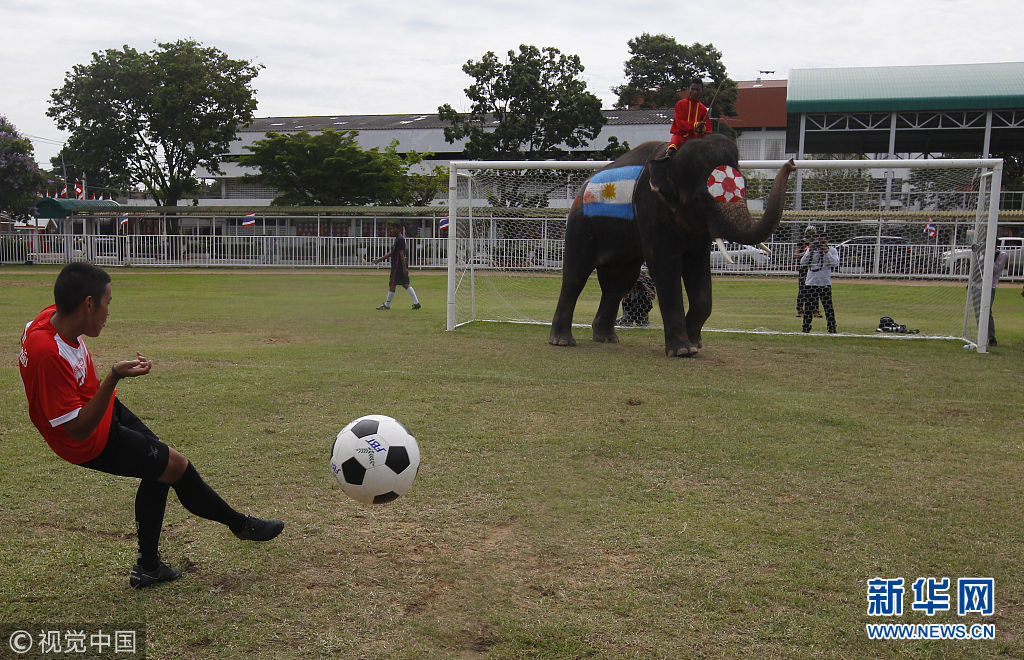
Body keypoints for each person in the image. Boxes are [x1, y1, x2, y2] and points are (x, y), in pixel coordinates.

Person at [19, 263, 284, 589]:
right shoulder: (47, 351)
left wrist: (107, 387)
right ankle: (240, 525)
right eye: (107, 302)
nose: (108, 312)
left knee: (160, 466)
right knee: (175, 466)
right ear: (88, 304)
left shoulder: (48, 319)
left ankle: (148, 567)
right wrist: (114, 375)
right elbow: (75, 428)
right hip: (89, 439)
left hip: (102, 409)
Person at [373, 224, 421, 310]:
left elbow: (401, 255)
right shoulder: (398, 239)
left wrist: (404, 268)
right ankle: (416, 303)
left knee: (392, 284)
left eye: (393, 228)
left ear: (399, 229)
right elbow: (392, 253)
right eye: (391, 228)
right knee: (405, 284)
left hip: (397, 266)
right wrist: (379, 259)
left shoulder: (400, 239)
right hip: (399, 265)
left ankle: (387, 305)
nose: (392, 230)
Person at [799, 232, 839, 333]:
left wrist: (826, 252)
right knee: (808, 307)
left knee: (828, 307)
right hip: (811, 283)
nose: (820, 243)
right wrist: (810, 250)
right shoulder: (811, 250)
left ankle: (832, 328)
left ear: (827, 241)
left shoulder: (832, 250)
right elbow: (803, 262)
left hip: (824, 283)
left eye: (823, 241)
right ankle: (806, 327)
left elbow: (835, 263)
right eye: (819, 241)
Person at [664, 79, 713, 157]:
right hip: (680, 137)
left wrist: (702, 130)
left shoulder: (703, 109)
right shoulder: (680, 104)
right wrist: (695, 125)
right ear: (689, 90)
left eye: (697, 89)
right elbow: (679, 123)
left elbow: (708, 130)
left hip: (697, 139)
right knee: (670, 152)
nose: (695, 92)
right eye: (692, 89)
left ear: (701, 91)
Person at [974, 249, 1008, 346]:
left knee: (986, 311)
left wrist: (987, 258)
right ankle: (981, 336)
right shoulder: (981, 254)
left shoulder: (1001, 255)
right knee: (977, 311)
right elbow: (977, 269)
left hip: (989, 286)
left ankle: (991, 338)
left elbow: (995, 270)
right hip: (977, 285)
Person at [795, 226, 822, 318]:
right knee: (802, 289)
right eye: (809, 232)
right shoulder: (802, 242)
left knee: (815, 289)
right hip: (804, 268)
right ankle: (799, 310)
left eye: (813, 233)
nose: (811, 234)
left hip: (814, 268)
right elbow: (796, 255)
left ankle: (815, 310)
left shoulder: (817, 243)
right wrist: (806, 252)